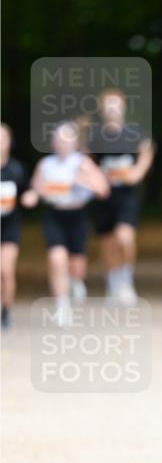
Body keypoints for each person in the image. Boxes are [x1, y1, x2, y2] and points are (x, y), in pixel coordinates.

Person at [22, 121, 110, 326]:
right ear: (53, 142)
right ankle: (62, 306)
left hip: (77, 216)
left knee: (76, 266)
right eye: (59, 139)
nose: (62, 143)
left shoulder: (83, 163)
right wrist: (32, 196)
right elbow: (35, 189)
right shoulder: (45, 165)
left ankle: (75, 282)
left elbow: (103, 190)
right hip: (54, 215)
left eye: (67, 139)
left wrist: (83, 181)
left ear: (75, 142)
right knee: (56, 258)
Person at [89, 89, 154, 305]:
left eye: (115, 105)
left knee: (125, 237)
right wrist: (96, 180)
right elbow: (88, 161)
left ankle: (126, 281)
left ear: (123, 108)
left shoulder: (134, 132)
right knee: (108, 242)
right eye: (108, 106)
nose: (112, 110)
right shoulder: (96, 136)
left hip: (127, 193)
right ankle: (112, 283)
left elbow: (146, 151)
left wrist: (138, 173)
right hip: (105, 195)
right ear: (102, 110)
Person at [0, 123, 28, 328]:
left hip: (9, 227)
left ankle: (6, 311)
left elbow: (27, 193)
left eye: (3, 138)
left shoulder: (17, 169)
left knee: (5, 270)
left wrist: (31, 197)